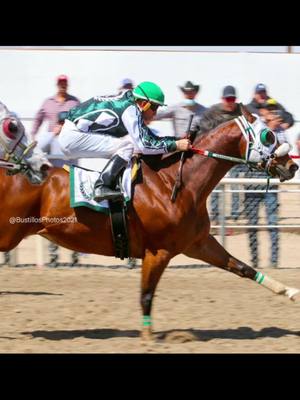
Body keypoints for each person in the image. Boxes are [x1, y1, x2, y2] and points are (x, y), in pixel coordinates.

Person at [58, 81, 191, 202]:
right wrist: (176, 145)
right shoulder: (130, 110)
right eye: (155, 108)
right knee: (127, 146)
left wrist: (176, 141)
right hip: (73, 137)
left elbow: (147, 137)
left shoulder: (129, 101)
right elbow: (144, 145)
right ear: (145, 104)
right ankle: (102, 186)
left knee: (128, 144)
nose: (155, 113)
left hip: (74, 133)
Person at [243, 105, 287, 268]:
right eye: (268, 111)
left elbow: (285, 154)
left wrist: (274, 133)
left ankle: (274, 262)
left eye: (273, 112)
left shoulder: (280, 132)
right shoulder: (253, 131)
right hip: (252, 182)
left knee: (272, 223)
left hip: (270, 184)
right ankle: (254, 260)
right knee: (252, 223)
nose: (271, 115)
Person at [197, 85, 244, 223]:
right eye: (228, 99)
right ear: (223, 99)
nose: (230, 101)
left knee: (235, 184)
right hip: (217, 158)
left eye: (232, 99)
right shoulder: (213, 111)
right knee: (214, 185)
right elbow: (203, 129)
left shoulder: (241, 111)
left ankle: (235, 214)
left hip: (234, 158)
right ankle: (216, 214)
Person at [31, 74, 80, 138]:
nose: (62, 85)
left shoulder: (74, 102)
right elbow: (38, 119)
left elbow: (81, 119)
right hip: (52, 138)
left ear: (67, 85)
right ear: (57, 85)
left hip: (69, 138)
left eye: (64, 83)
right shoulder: (48, 102)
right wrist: (33, 134)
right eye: (60, 83)